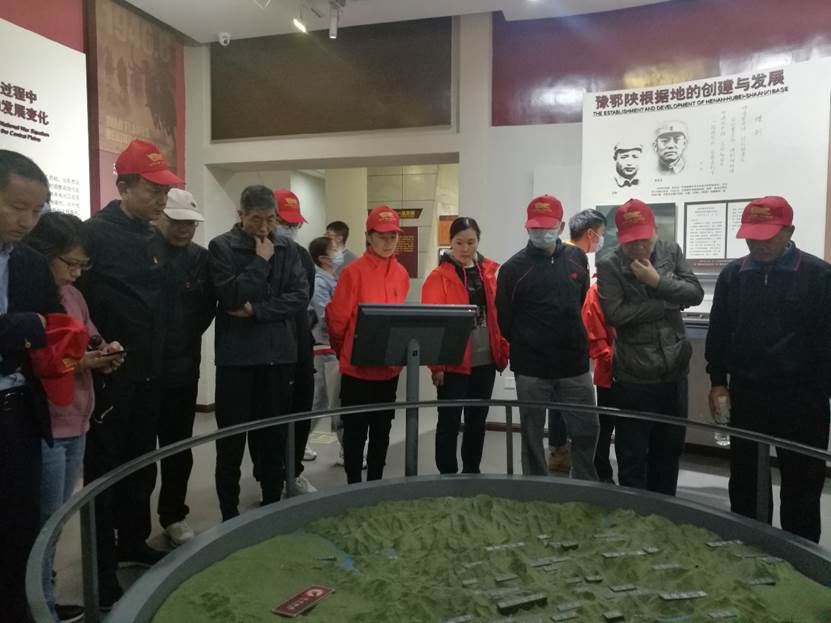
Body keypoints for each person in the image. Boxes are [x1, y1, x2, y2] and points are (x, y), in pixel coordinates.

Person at [81, 139, 182, 608]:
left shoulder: (152, 235)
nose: (161, 199)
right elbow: (77, 305)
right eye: (152, 190)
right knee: (105, 473)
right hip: (109, 375)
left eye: (165, 191)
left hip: (149, 373)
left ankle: (133, 542)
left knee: (141, 465)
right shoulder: (93, 235)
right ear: (122, 187)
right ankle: (100, 570)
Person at [705, 196, 831, 543]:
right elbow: (720, 332)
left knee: (802, 484)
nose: (759, 245)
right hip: (748, 395)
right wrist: (718, 381)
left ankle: (799, 554)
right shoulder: (734, 276)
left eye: (768, 236)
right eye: (752, 237)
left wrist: (822, 392)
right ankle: (749, 548)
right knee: (746, 481)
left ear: (789, 231)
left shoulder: (819, 276)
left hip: (803, 399)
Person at [25, 213, 125, 623]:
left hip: (78, 418)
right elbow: (37, 361)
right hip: (44, 423)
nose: (77, 273)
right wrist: (83, 361)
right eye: (71, 263)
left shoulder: (74, 295)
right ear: (43, 254)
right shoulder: (27, 297)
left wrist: (105, 353)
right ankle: (39, 605)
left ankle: (44, 596)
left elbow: (90, 336)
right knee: (41, 522)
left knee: (56, 518)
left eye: (83, 264)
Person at [208, 185, 308, 520]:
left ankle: (271, 504)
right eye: (256, 220)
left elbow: (299, 296)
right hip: (236, 359)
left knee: (273, 437)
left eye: (270, 220)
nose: (264, 228)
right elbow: (231, 296)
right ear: (240, 215)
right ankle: (229, 513)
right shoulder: (221, 247)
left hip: (279, 356)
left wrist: (257, 311)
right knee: (231, 441)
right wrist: (260, 261)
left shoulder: (288, 248)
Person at [597, 198, 703, 496]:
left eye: (644, 239)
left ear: (655, 230)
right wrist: (665, 303)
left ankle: (665, 509)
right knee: (632, 455)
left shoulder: (671, 251)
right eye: (631, 242)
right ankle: (634, 513)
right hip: (634, 375)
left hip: (674, 370)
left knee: (668, 451)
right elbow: (615, 314)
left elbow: (694, 293)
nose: (639, 247)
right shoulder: (609, 264)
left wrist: (657, 282)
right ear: (620, 238)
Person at [496, 195, 599, 480]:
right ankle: (535, 487)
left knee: (587, 429)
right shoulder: (512, 269)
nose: (542, 232)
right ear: (527, 227)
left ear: (561, 226)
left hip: (574, 364)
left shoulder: (577, 259)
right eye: (536, 227)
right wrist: (531, 340)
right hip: (531, 367)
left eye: (548, 226)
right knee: (531, 434)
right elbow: (505, 320)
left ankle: (585, 485)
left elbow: (580, 303)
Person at [0, 150, 62, 623]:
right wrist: (19, 326)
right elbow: (30, 325)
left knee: (19, 526)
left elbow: (48, 326)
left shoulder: (31, 263)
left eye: (37, 210)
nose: (27, 221)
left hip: (18, 410)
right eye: (17, 207)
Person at [326, 205, 409, 484]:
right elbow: (337, 321)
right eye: (382, 236)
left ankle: (375, 483)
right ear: (369, 237)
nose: (388, 242)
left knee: (382, 431)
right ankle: (353, 486)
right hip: (357, 371)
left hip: (388, 370)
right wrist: (346, 352)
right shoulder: (353, 272)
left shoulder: (401, 273)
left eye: (393, 236)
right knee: (355, 432)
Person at [422, 217, 509, 474]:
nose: (465, 248)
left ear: (478, 241)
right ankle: (447, 474)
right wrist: (436, 365)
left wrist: (502, 349)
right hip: (453, 361)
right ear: (450, 242)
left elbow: (498, 314)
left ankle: (472, 470)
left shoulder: (488, 272)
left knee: (477, 420)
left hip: (485, 360)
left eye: (471, 242)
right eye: (459, 242)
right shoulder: (438, 277)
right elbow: (431, 325)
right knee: (449, 421)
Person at [153, 189, 215, 545]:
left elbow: (205, 309)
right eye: (177, 222)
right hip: (142, 370)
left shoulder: (200, 258)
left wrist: (182, 339)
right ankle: (129, 527)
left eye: (190, 224)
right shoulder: (141, 251)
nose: (184, 229)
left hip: (183, 367)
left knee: (178, 447)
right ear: (161, 217)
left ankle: (173, 514)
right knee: (139, 452)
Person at [547, 209, 608, 474]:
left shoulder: (564, 254)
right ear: (591, 233)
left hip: (558, 343)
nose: (602, 239)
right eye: (601, 234)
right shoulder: (573, 257)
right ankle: (560, 450)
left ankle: (559, 449)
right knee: (564, 403)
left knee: (558, 401)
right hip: (567, 344)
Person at [273, 188, 317, 493]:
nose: (290, 229)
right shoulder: (255, 254)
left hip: (300, 345)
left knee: (301, 411)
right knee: (270, 419)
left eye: (295, 224)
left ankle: (294, 471)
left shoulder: (302, 256)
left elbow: (303, 299)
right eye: (284, 222)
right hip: (268, 351)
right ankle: (270, 478)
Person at [308, 236, 347, 464]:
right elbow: (326, 317)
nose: (339, 251)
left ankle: (298, 441)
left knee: (322, 400)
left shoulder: (334, 279)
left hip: (335, 348)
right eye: (334, 249)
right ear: (323, 258)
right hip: (326, 348)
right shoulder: (319, 282)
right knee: (332, 400)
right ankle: (346, 448)